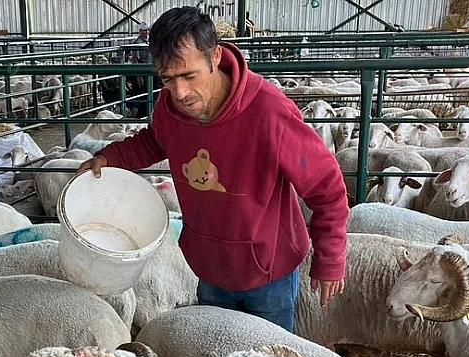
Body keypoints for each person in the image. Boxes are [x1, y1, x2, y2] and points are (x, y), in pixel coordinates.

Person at [78, 7, 349, 331]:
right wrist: (111, 157)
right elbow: (155, 140)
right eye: (168, 78)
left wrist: (330, 259)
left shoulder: (269, 113)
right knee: (215, 351)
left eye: (189, 75)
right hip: (210, 265)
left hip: (267, 271)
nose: (179, 92)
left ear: (216, 56)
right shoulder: (171, 107)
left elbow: (327, 187)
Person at [123, 22, 151, 118]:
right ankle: (140, 115)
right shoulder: (137, 43)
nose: (146, 32)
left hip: (148, 71)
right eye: (144, 30)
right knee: (141, 92)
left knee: (148, 92)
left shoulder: (148, 41)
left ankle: (146, 113)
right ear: (140, 31)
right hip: (141, 72)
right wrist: (139, 76)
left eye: (147, 30)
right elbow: (135, 59)